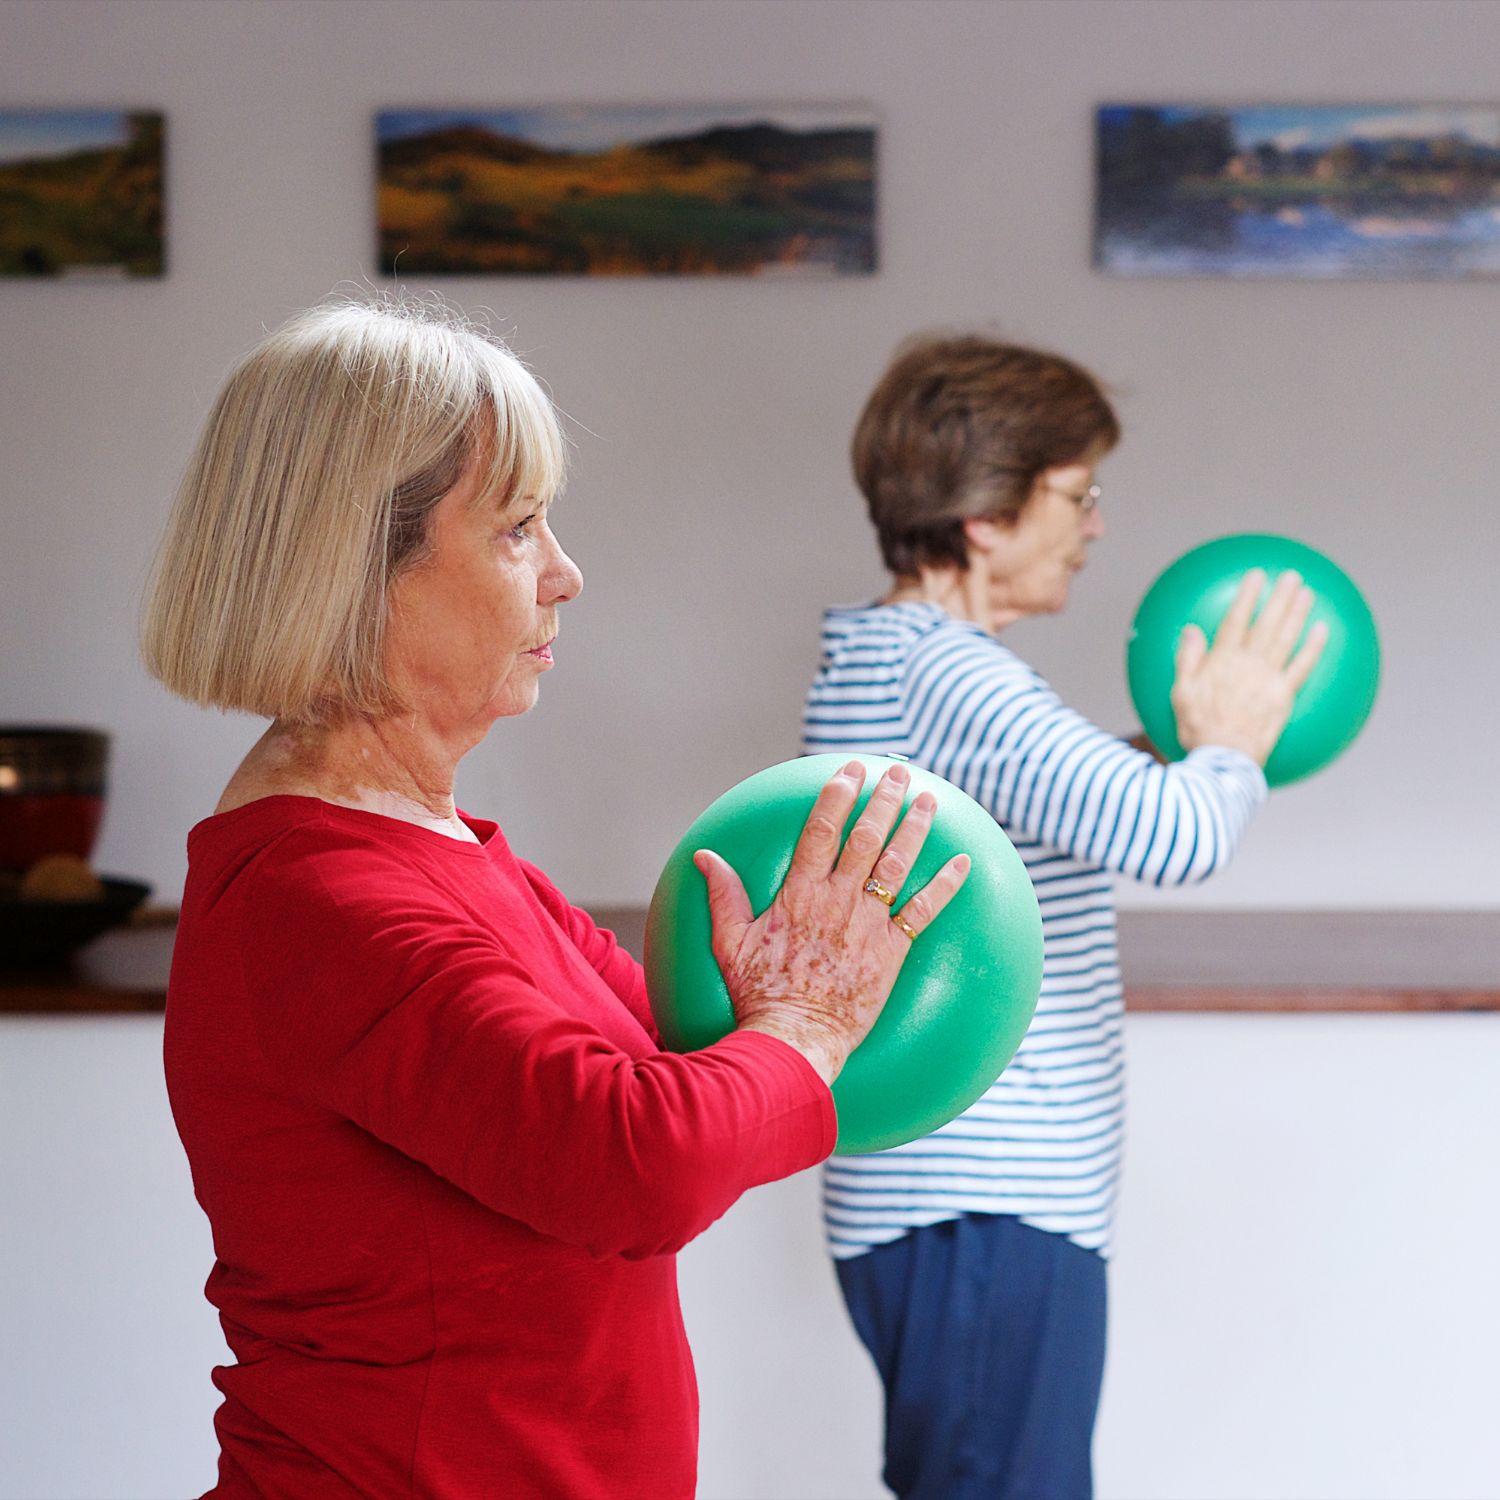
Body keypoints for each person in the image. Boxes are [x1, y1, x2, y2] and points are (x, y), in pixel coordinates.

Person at [141, 296, 970, 1499]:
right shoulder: (313, 901)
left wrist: (793, 1004)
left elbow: (685, 1078)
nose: (567, 575)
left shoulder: (449, 850)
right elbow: (640, 1164)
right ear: (356, 569)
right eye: (519, 530)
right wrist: (806, 1024)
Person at [802, 333, 1327, 1500]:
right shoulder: (952, 674)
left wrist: (1183, 748)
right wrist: (1232, 743)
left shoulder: (901, 663)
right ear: (987, 516)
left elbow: (1058, 798)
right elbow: (1170, 836)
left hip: (962, 1209)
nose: (1096, 526)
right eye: (1076, 495)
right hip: (983, 1210)